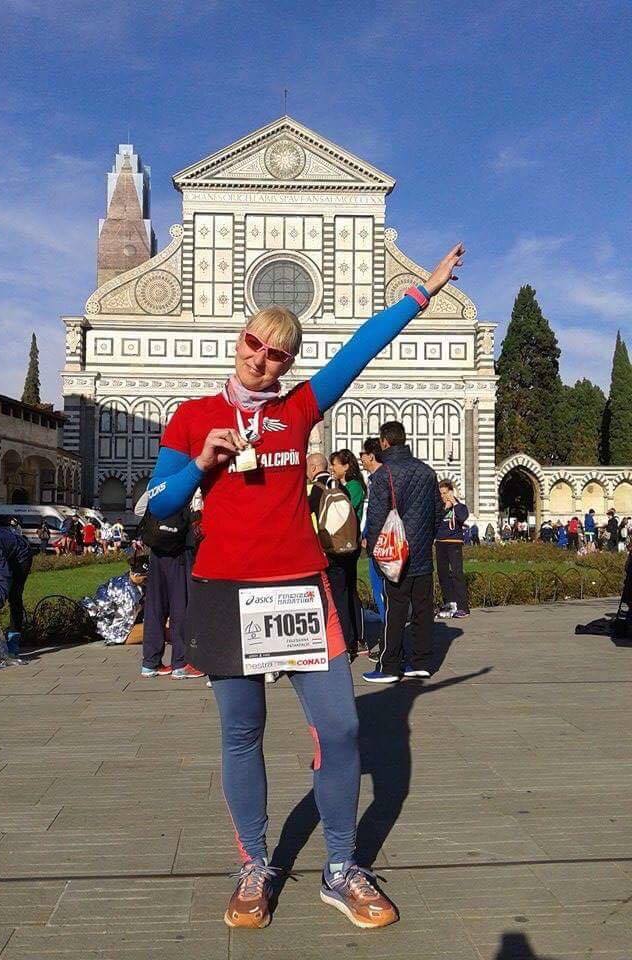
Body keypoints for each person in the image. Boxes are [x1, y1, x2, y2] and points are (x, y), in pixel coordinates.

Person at [145, 243, 465, 930]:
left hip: (298, 590)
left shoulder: (299, 408)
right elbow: (159, 504)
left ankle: (341, 868)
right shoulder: (193, 416)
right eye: (254, 345)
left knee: (342, 728)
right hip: (226, 590)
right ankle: (254, 865)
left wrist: (422, 294)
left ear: (288, 364)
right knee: (242, 733)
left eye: (277, 355)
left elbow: (360, 348)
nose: (261, 361)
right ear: (241, 340)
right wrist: (202, 463)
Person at [364, 419, 445, 685]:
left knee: (395, 609)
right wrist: (426, 538)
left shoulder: (383, 475)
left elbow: (376, 519)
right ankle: (421, 662)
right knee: (422, 608)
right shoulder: (427, 472)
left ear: (385, 442)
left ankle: (389, 665)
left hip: (396, 554)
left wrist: (376, 552)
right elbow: (438, 511)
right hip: (422, 554)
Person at [138, 504, 203, 679]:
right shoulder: (187, 488)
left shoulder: (156, 490)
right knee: (180, 606)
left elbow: (139, 509)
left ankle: (150, 663)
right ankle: (180, 663)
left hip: (157, 549)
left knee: (154, 607)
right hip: (181, 550)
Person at [307, 453, 362, 660]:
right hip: (348, 549)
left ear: (314, 468)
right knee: (346, 594)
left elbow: (305, 518)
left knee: (331, 597)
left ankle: (337, 645)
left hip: (328, 550)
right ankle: (351, 642)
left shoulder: (315, 490)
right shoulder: (341, 486)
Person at [435, 481, 470, 620]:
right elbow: (434, 521)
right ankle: (449, 604)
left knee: (457, 573)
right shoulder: (438, 508)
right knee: (443, 575)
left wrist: (454, 502)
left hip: (454, 543)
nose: (443, 496)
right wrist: (445, 508)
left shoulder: (460, 506)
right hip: (440, 543)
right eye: (441, 493)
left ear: (451, 492)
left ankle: (463, 607)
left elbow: (463, 517)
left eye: (445, 493)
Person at [359, 438, 385, 619]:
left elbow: (378, 513)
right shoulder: (377, 478)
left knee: (380, 586)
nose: (361, 457)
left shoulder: (379, 479)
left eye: (363, 453)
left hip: (380, 541)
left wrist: (368, 535)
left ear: (371, 456)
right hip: (378, 538)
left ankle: (386, 623)